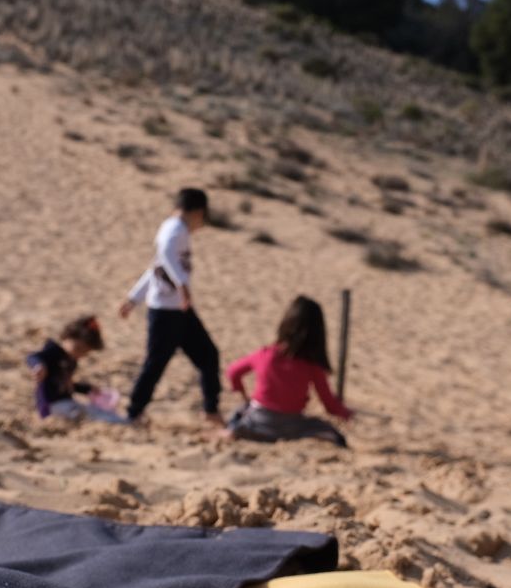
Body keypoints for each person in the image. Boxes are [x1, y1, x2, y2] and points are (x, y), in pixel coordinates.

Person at [119, 187, 222, 429]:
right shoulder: (174, 229)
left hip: (179, 309)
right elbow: (165, 255)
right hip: (166, 311)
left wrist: (133, 297)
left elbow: (156, 267)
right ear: (199, 212)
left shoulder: (176, 230)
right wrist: (183, 286)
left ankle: (211, 410)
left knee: (208, 355)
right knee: (156, 362)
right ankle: (133, 412)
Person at [225, 296, 352, 446]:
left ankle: (234, 430)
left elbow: (233, 372)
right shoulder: (312, 365)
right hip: (292, 424)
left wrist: (242, 394)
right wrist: (347, 413)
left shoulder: (266, 354)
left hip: (258, 420)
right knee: (328, 430)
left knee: (239, 412)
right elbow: (329, 404)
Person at [26, 315, 125, 422]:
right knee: (80, 412)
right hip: (51, 405)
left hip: (65, 401)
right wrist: (39, 365)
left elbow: (67, 384)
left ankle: (117, 420)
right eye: (78, 348)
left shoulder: (71, 360)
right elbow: (33, 357)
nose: (79, 353)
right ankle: (110, 420)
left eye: (84, 352)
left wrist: (88, 389)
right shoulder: (53, 351)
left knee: (90, 409)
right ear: (67, 336)